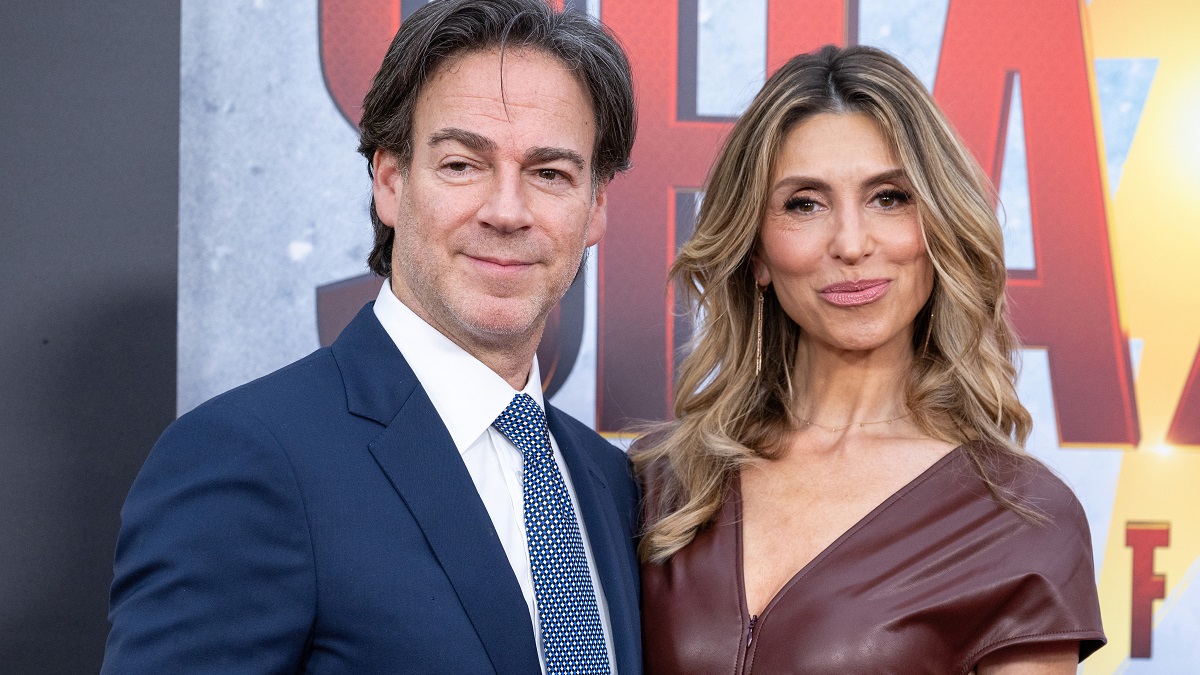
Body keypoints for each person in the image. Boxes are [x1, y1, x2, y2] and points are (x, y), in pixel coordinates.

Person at [102, 1, 640, 672]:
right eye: (461, 164)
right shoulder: (250, 459)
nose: (507, 210)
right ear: (390, 182)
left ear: (595, 207)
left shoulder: (611, 482)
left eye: (550, 173)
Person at [633, 45, 1104, 674]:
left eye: (889, 197)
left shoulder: (1017, 516)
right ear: (757, 254)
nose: (852, 244)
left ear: (939, 230)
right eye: (805, 203)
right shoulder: (655, 485)